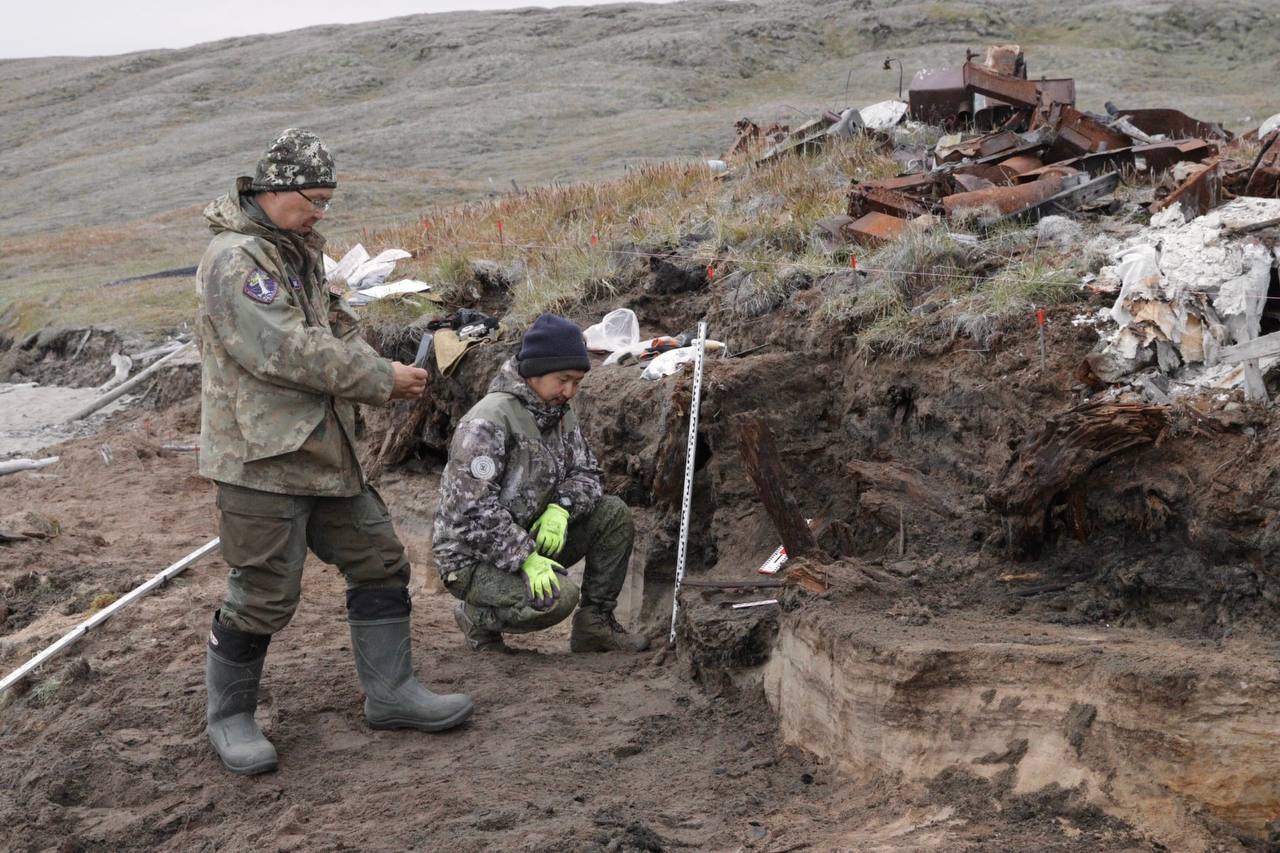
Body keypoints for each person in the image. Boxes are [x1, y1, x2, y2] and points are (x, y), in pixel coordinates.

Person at [195, 128, 472, 776]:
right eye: (313, 200)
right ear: (273, 189)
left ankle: (391, 693)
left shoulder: (293, 251)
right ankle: (230, 717)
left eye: (326, 201)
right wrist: (380, 379)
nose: (321, 212)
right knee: (263, 593)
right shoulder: (236, 261)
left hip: (325, 452)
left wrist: (386, 364)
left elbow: (334, 328)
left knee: (379, 559)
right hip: (261, 462)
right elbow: (286, 349)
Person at [432, 313, 649, 654]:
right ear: (535, 371)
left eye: (577, 382)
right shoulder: (488, 421)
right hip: (472, 559)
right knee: (559, 598)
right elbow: (471, 511)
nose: (570, 391)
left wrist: (561, 509)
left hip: (528, 534)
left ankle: (594, 626)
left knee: (613, 514)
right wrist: (526, 558)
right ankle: (476, 616)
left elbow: (588, 474)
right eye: (563, 380)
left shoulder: (558, 413)